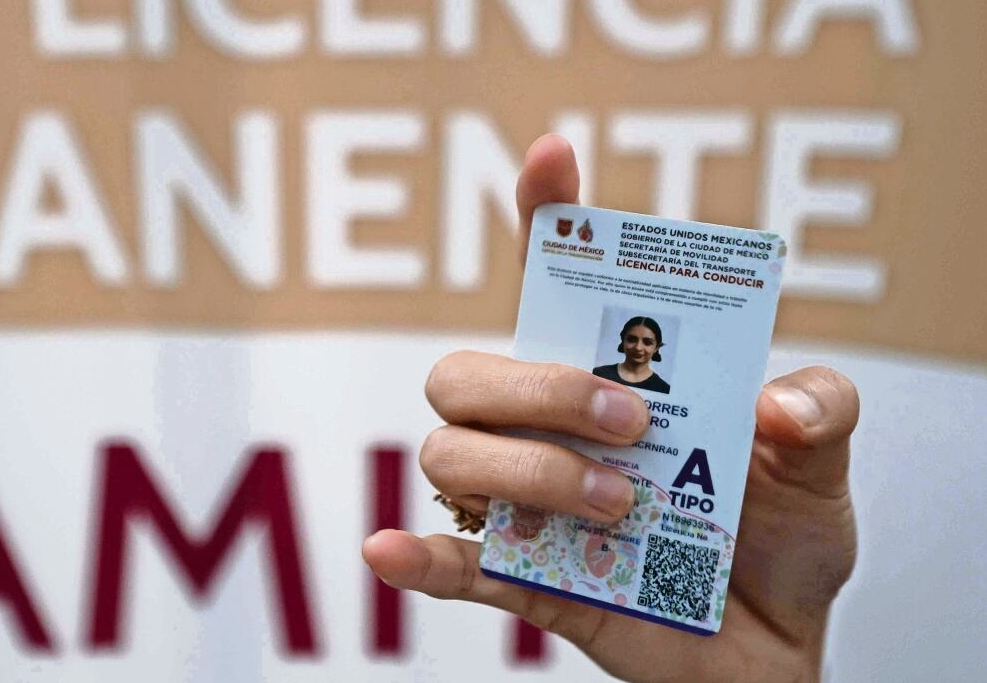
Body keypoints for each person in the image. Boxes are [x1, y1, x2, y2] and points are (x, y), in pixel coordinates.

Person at [362, 134, 859, 683]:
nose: (640, 348)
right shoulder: (593, 379)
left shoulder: (706, 429)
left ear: (658, 350)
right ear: (621, 343)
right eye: (633, 339)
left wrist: (783, 664)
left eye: (650, 342)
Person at [593, 316, 671, 394]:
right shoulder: (598, 374)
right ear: (623, 341)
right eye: (632, 340)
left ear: (656, 348)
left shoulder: (663, 388)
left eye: (647, 342)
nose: (638, 347)